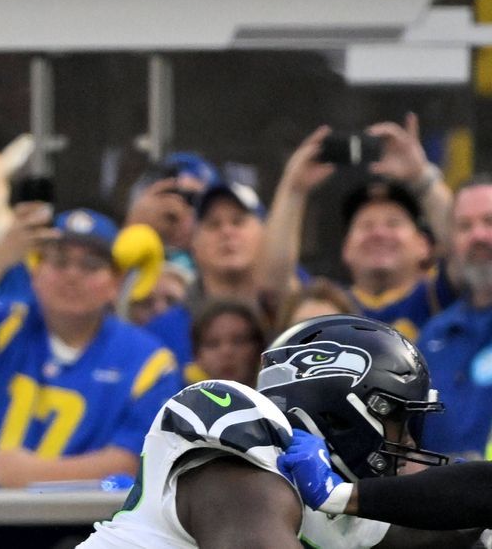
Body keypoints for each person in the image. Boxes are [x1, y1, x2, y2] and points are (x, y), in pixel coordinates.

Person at [80, 314, 482, 548]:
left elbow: (473, 507)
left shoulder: (341, 507)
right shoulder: (244, 449)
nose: (408, 444)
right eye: (397, 423)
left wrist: (342, 495)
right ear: (342, 415)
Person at [0, 209, 180, 488]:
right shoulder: (1, 324)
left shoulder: (149, 361)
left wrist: (34, 474)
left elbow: (133, 462)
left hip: (89, 524)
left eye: (91, 266)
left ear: (116, 284)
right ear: (35, 273)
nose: (72, 275)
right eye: (59, 261)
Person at [258, 119, 455, 340]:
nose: (378, 233)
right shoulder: (328, 304)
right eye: (365, 226)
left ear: (424, 245)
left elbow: (467, 244)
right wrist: (294, 188)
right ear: (346, 249)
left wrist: (422, 177)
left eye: (393, 223)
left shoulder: (440, 295)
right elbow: (274, 286)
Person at [143, 181, 268, 381]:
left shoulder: (290, 313)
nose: (227, 232)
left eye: (238, 221)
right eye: (213, 224)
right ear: (193, 242)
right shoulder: (159, 333)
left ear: (265, 233)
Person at [418, 176, 492, 458]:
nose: (478, 236)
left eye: (489, 221)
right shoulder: (434, 334)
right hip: (442, 500)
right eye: (465, 226)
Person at [189, 298, 264, 387]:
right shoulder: (182, 400)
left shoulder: (279, 399)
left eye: (238, 341)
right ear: (197, 356)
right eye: (213, 344)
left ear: (258, 348)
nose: (226, 352)